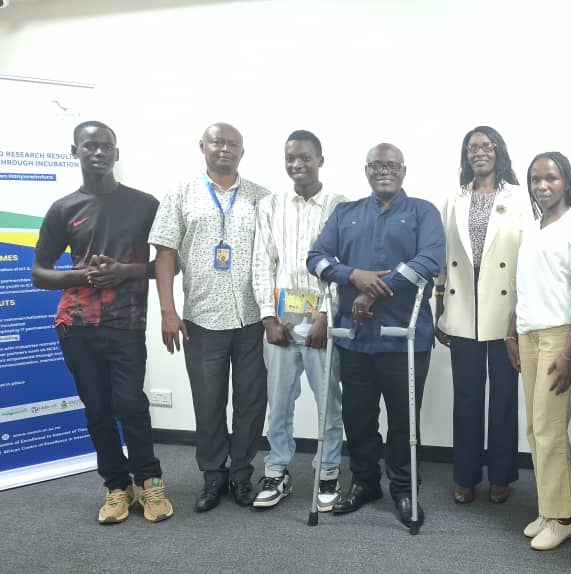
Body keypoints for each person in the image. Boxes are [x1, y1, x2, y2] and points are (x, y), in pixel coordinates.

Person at [31, 121, 174, 524]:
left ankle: (149, 483)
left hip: (125, 323)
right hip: (75, 325)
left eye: (105, 146)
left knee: (130, 403)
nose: (98, 152)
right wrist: (82, 276)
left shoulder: (145, 204)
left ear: (116, 151)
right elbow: (39, 272)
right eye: (89, 146)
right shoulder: (63, 208)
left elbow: (166, 264)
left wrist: (123, 271)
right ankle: (116, 487)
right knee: (97, 409)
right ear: (74, 151)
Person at [307, 143, 444, 528]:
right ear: (367, 170)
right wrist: (352, 276)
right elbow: (317, 258)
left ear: (404, 170)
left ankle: (403, 488)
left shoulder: (423, 212)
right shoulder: (345, 213)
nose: (385, 171)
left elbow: (429, 261)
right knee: (358, 415)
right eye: (377, 165)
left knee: (404, 419)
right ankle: (365, 482)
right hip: (355, 338)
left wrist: (372, 290)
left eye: (392, 165)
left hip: (405, 338)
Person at [149, 123, 271, 512]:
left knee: (252, 403)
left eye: (233, 143)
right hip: (200, 319)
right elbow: (165, 255)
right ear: (202, 146)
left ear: (242, 151)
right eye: (217, 141)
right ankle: (213, 476)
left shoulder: (262, 198)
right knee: (208, 402)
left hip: (252, 318)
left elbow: (274, 258)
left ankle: (241, 474)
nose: (224, 148)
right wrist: (168, 312)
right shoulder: (179, 195)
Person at [435, 126, 534, 505]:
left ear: (498, 152)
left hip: (505, 309)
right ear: (465, 155)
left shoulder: (519, 199)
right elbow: (444, 261)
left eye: (486, 146)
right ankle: (465, 474)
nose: (479, 152)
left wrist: (522, 313)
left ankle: (502, 475)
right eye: (472, 147)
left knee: (505, 397)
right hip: (463, 309)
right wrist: (440, 307)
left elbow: (528, 258)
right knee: (467, 396)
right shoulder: (453, 198)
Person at [251, 130, 347, 510]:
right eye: (291, 158)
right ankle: (277, 472)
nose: (297, 164)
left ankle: (328, 473)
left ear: (320, 159)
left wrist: (326, 312)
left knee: (329, 403)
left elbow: (341, 266)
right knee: (279, 402)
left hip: (322, 318)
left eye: (305, 157)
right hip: (282, 320)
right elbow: (262, 263)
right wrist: (268, 317)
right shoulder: (270, 206)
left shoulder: (341, 207)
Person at [508, 152, 571, 551]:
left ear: (566, 182)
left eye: (551, 178)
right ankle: (546, 508)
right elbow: (525, 285)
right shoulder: (534, 227)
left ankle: (562, 518)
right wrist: (513, 334)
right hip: (529, 334)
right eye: (536, 179)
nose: (542, 185)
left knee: (550, 428)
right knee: (535, 428)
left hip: (560, 336)